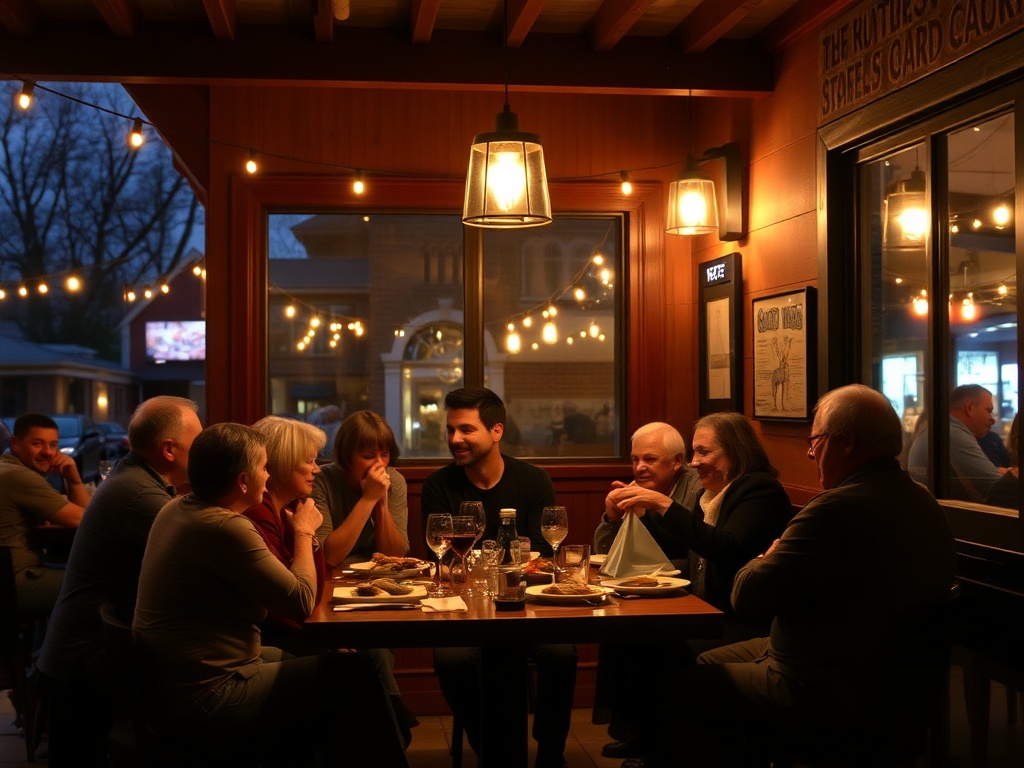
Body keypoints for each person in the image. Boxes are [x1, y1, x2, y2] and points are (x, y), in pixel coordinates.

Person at [627, 385, 957, 768]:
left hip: (816, 682)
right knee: (694, 661)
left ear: (846, 442)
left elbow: (747, 597)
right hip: (895, 686)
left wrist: (762, 559)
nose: (809, 451)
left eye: (815, 440)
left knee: (680, 686)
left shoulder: (832, 509)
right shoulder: (922, 500)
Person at [133, 423, 405, 765]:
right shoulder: (227, 526)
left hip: (175, 686)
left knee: (344, 670)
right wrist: (305, 533)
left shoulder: (176, 508)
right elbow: (301, 602)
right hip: (208, 694)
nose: (269, 475)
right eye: (264, 468)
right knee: (355, 675)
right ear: (243, 481)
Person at [597, 413, 791, 760]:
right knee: (631, 633)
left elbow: (727, 547)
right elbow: (685, 547)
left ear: (734, 451)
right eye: (694, 452)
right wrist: (633, 516)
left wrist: (664, 505)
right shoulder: (713, 494)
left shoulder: (757, 489)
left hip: (742, 618)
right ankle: (643, 736)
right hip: (708, 608)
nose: (694, 462)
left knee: (659, 646)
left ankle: (663, 749)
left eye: (703, 452)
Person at [36, 397, 201, 767]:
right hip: (82, 664)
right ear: (169, 449)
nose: (203, 450)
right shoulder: (140, 494)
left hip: (84, 654)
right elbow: (203, 558)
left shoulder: (139, 478)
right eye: (198, 441)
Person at [421, 386, 577, 768]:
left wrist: (491, 563)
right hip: (465, 614)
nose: (455, 439)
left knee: (562, 654)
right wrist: (510, 558)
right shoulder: (438, 485)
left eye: (466, 430)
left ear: (496, 431)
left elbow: (541, 559)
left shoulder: (533, 480)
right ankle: (490, 746)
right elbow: (439, 559)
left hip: (526, 609)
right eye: (450, 430)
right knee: (453, 660)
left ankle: (550, 752)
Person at [310, 410, 419, 744]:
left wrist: (382, 507)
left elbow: (396, 554)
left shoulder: (395, 481)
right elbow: (331, 553)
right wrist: (368, 498)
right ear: (346, 457)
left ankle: (387, 716)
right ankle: (393, 709)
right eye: (368, 455)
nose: (379, 464)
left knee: (375, 641)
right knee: (371, 646)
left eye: (384, 454)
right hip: (330, 584)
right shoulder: (323, 481)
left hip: (379, 583)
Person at [243, 415, 328, 654]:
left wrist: (308, 533)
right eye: (309, 461)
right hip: (266, 639)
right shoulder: (258, 513)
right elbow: (288, 605)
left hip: (286, 633)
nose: (317, 469)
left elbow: (315, 591)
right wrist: (306, 532)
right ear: (282, 463)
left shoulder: (289, 511)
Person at [0, 413, 90, 613]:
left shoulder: (7, 467)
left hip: (10, 576)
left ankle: (47, 642)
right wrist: (74, 481)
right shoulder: (20, 476)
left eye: (53, 445)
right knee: (100, 586)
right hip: (14, 583)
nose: (48, 452)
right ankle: (56, 645)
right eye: (38, 444)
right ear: (15, 444)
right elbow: (83, 519)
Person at [592, 421, 702, 564]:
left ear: (677, 461)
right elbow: (603, 554)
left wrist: (645, 515)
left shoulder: (699, 489)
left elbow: (689, 559)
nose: (639, 468)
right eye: (635, 459)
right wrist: (612, 519)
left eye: (650, 459)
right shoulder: (637, 489)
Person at [908, 383, 1010, 502]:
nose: (992, 419)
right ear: (969, 408)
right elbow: (996, 487)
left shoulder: (942, 428)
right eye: (989, 410)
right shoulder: (951, 433)